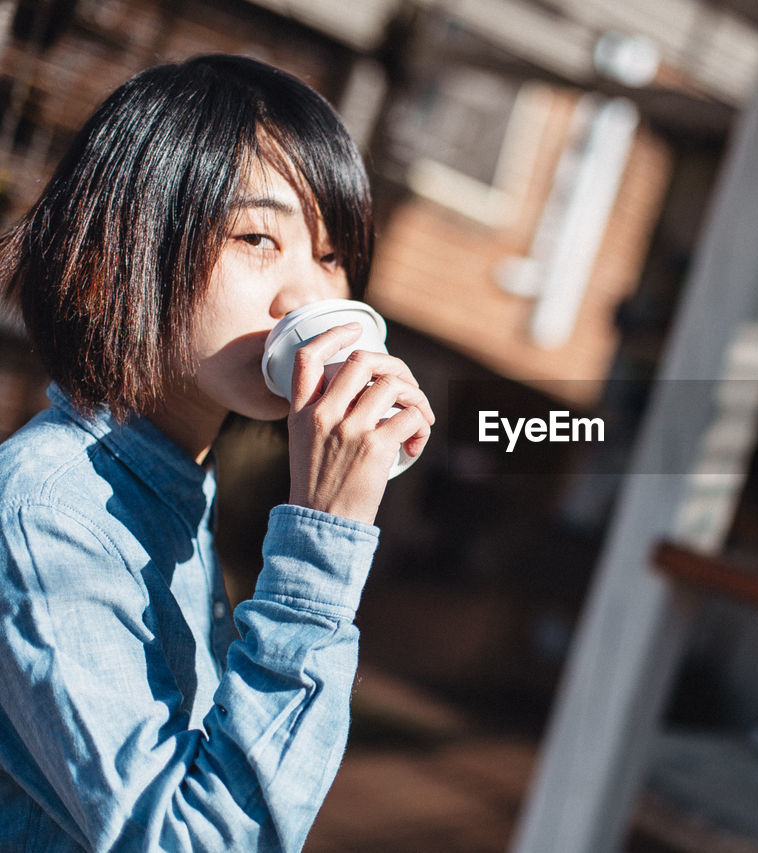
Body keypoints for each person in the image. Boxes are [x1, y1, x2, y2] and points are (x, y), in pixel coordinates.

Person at [0, 54, 434, 851]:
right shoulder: (50, 513)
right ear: (124, 242)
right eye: (258, 236)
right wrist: (321, 545)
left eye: (331, 255)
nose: (308, 296)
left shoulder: (164, 486)